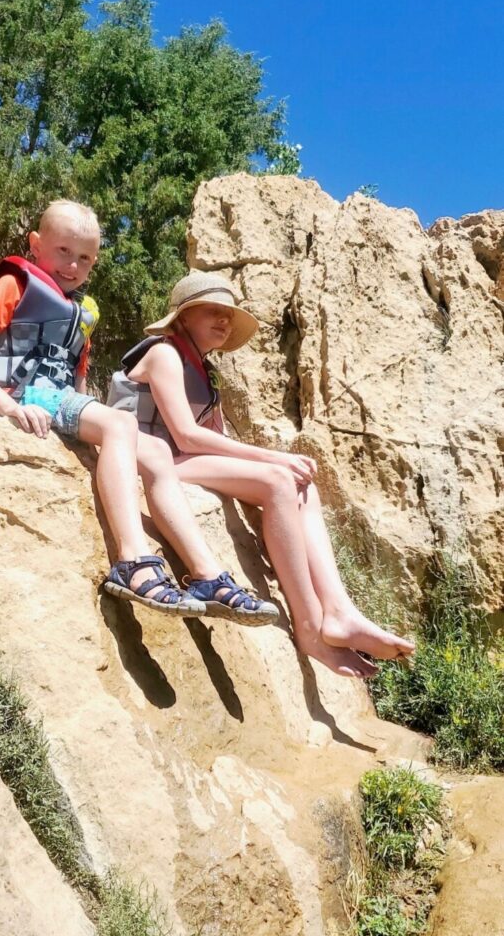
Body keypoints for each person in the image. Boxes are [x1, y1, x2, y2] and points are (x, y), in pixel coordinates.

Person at [108, 271, 416, 679]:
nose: (224, 321)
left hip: (178, 458)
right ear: (183, 317)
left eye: (228, 315)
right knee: (277, 479)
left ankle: (339, 611)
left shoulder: (203, 369)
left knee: (300, 487)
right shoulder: (166, 354)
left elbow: (208, 439)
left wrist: (275, 464)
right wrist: (274, 458)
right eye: (212, 312)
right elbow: (185, 434)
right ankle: (310, 630)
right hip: (148, 457)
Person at [0, 199, 209, 617]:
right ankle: (132, 561)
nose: (72, 266)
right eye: (63, 251)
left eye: (85, 258)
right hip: (17, 399)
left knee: (157, 451)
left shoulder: (80, 314)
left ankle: (206, 572)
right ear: (36, 244)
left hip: (57, 402)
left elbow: (77, 382)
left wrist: (98, 442)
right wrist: (7, 408)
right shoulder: (12, 286)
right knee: (120, 421)